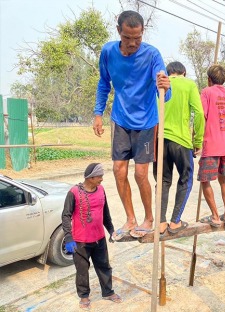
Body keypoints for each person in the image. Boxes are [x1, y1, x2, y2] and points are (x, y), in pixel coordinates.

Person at [92, 11, 171, 239]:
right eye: (128, 37)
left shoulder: (152, 55)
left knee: (140, 173)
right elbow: (103, 83)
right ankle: (130, 218)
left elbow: (164, 95)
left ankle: (148, 218)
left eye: (137, 37)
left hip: (146, 121)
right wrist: (98, 113)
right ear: (119, 31)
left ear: (142, 33)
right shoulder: (108, 52)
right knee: (118, 170)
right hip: (120, 119)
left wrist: (165, 87)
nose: (133, 43)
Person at [152, 61, 205, 235]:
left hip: (160, 140)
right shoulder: (189, 84)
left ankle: (160, 222)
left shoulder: (160, 86)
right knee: (185, 179)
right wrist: (198, 141)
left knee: (162, 181)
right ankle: (175, 221)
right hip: (181, 141)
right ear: (184, 72)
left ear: (169, 74)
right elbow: (198, 114)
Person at [62, 163, 122, 310]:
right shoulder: (74, 192)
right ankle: (84, 297)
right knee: (82, 270)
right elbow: (66, 215)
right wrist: (69, 237)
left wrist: (111, 230)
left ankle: (108, 292)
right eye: (99, 176)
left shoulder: (101, 190)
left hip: (99, 238)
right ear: (90, 177)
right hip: (80, 242)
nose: (102, 179)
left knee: (104, 266)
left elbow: (105, 212)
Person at [198, 65, 225, 227]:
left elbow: (202, 115)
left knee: (205, 180)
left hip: (212, 142)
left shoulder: (207, 92)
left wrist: (197, 139)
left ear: (209, 79)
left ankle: (215, 216)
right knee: (223, 180)